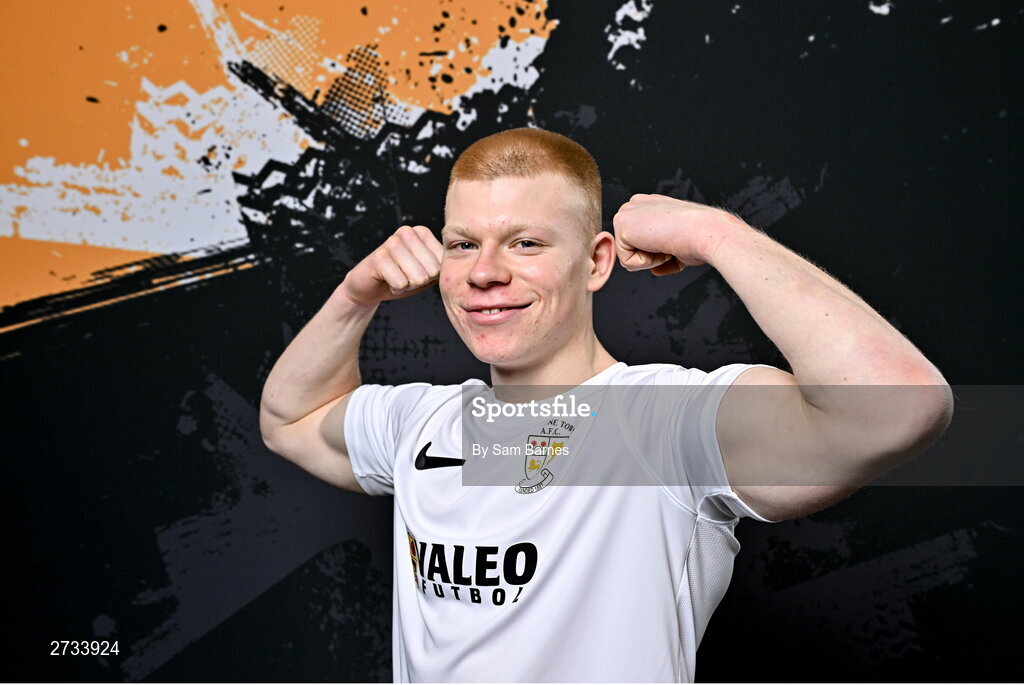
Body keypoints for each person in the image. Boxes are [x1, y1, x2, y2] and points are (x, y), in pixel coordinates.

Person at [259, 127, 952, 682]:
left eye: (525, 243)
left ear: (595, 262)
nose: (484, 272)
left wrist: (720, 236)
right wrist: (356, 294)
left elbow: (896, 410)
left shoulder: (661, 423)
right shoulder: (426, 423)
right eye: (463, 244)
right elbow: (288, 419)